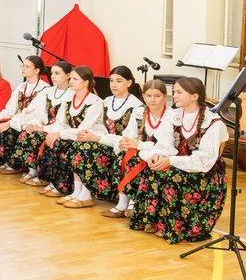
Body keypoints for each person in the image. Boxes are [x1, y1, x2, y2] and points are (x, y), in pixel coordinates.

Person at [127, 77, 229, 243]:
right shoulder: (173, 116)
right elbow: (163, 144)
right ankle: (155, 221)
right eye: (174, 92)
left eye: (179, 92)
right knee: (153, 170)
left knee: (172, 175)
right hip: (178, 163)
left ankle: (175, 226)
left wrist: (171, 161)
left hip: (204, 173)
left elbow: (204, 160)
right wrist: (157, 155)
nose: (174, 96)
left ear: (195, 96)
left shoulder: (214, 123)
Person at [67, 66, 145, 213]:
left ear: (129, 83)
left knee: (89, 149)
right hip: (105, 142)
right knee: (80, 145)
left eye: (119, 81)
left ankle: (92, 194)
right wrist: (92, 136)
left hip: (121, 145)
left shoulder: (136, 106)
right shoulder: (106, 101)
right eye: (111, 81)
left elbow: (129, 137)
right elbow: (100, 127)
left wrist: (98, 138)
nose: (114, 85)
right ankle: (83, 193)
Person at [37, 65, 105, 203]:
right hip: (73, 136)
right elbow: (60, 122)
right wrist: (49, 131)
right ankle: (69, 188)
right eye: (71, 78)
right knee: (54, 142)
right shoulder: (68, 99)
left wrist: (60, 134)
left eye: (75, 79)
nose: (71, 81)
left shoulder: (95, 102)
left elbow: (85, 129)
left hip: (91, 138)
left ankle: (83, 193)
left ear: (86, 82)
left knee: (77, 148)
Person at [112, 79, 171, 219]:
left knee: (135, 157)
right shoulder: (139, 112)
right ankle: (123, 202)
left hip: (160, 153)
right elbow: (129, 133)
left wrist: (137, 145)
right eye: (149, 96)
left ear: (165, 97)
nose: (152, 100)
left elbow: (164, 145)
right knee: (123, 155)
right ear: (143, 97)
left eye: (157, 96)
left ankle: (135, 202)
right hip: (141, 149)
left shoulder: (170, 115)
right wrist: (125, 142)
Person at [8, 60, 73, 186]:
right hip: (46, 126)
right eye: (52, 73)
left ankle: (44, 175)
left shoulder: (72, 94)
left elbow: (64, 122)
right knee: (26, 133)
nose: (53, 76)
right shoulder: (48, 92)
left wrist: (42, 128)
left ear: (67, 75)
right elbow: (39, 113)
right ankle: (33, 170)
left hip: (60, 129)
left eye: (57, 73)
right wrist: (34, 124)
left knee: (38, 136)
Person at [0, 55, 49, 172]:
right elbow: (9, 109)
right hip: (17, 120)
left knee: (9, 130)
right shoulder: (21, 87)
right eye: (23, 66)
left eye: (27, 66)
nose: (23, 69)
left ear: (37, 70)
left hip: (32, 122)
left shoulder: (44, 89)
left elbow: (31, 114)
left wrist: (9, 123)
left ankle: (17, 164)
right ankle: (5, 161)